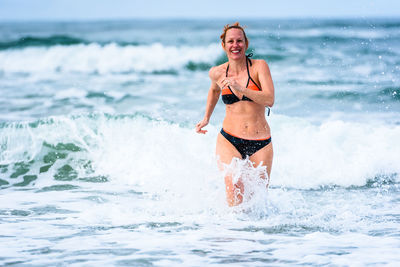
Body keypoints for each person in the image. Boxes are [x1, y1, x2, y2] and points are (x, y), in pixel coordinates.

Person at [195, 22, 275, 206]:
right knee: (234, 187)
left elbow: (269, 99)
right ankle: (232, 232)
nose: (235, 45)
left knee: (257, 199)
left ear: (246, 44)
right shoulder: (217, 72)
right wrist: (206, 117)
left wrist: (240, 88)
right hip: (229, 139)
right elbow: (214, 91)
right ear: (223, 45)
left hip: (260, 143)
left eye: (239, 41)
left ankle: (254, 234)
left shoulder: (259, 67)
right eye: (230, 41)